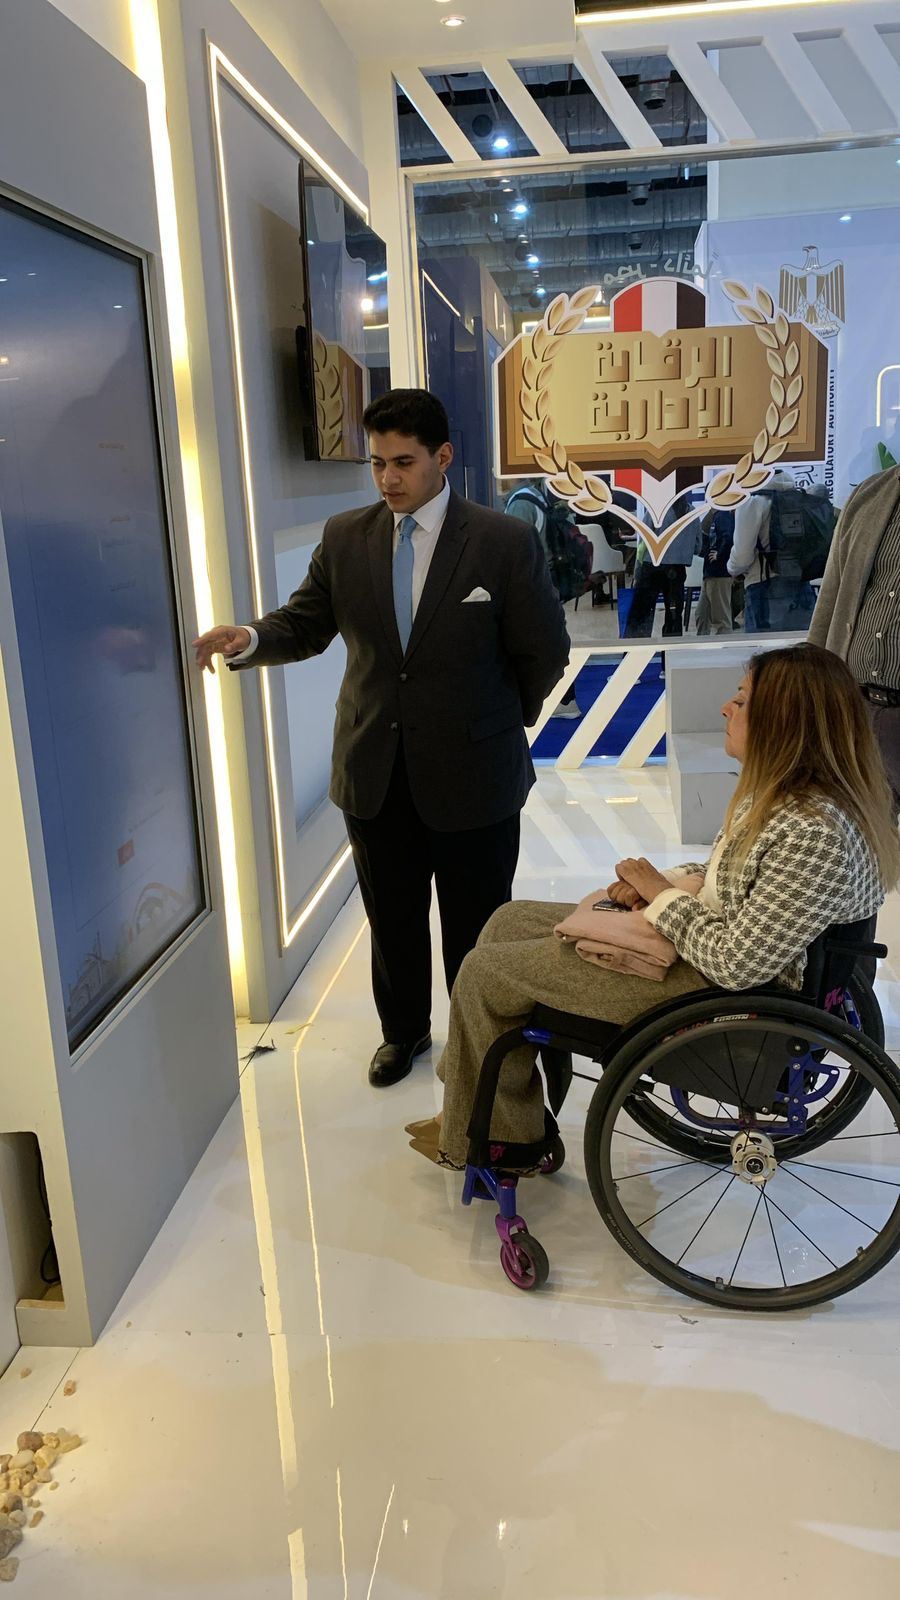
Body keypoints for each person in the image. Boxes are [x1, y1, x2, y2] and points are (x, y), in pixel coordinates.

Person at [193, 390, 569, 1087]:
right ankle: (404, 1033)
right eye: (377, 463)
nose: (388, 478)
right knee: (391, 918)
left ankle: (478, 1041)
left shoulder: (501, 541)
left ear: (442, 457)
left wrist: (499, 718)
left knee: (477, 925)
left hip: (475, 773)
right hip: (374, 769)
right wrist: (249, 637)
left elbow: (543, 650)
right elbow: (306, 624)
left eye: (403, 462)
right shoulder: (346, 537)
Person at [405, 643, 898, 1170]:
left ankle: (505, 1141)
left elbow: (737, 964)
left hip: (724, 993)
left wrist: (661, 897)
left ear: (785, 722)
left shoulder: (811, 831)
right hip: (712, 953)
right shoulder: (795, 799)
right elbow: (735, 879)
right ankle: (476, 1106)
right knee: (509, 919)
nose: (725, 709)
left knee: (486, 974)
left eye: (741, 700)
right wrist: (662, 884)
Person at [808, 462, 900, 807]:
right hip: (856, 711)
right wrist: (810, 687)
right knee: (860, 832)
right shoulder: (870, 493)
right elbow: (832, 596)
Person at [504, 480, 590, 718]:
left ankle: (561, 700)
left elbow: (513, 550)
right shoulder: (539, 498)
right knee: (549, 639)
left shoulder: (521, 502)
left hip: (533, 582)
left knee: (535, 643)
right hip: (549, 579)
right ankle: (564, 699)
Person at [728, 475, 835, 634]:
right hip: (802, 585)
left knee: (763, 647)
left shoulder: (754, 502)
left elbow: (742, 557)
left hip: (764, 587)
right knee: (799, 645)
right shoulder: (801, 500)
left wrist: (732, 569)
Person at [624, 497, 701, 639]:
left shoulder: (657, 508)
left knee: (641, 613)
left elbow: (643, 543)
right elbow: (697, 547)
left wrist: (637, 572)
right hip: (677, 569)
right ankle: (671, 647)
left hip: (651, 566)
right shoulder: (692, 512)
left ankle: (637, 647)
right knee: (674, 614)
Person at [695, 508, 735, 636]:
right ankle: (702, 642)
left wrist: (720, 554)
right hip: (710, 573)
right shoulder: (715, 516)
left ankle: (724, 644)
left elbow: (728, 538)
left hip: (719, 573)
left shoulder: (723, 515)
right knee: (701, 614)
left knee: (721, 619)